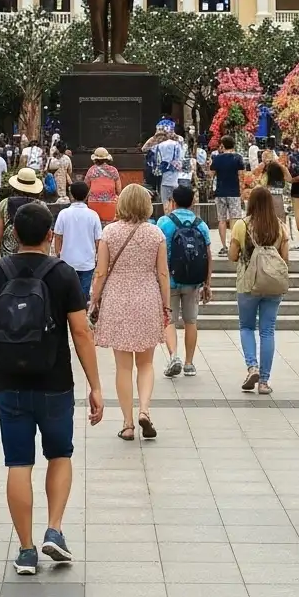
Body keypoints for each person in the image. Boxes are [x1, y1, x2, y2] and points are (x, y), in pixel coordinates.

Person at [0, 199, 104, 576]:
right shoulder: (62, 274)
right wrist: (95, 385)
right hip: (56, 382)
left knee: (18, 463)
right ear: (51, 235)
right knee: (60, 455)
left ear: (13, 234)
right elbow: (80, 331)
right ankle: (55, 529)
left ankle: (27, 550)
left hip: (11, 382)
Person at [89, 183, 170, 442]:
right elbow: (163, 274)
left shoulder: (109, 233)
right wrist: (166, 305)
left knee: (123, 367)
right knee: (146, 363)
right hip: (147, 298)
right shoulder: (156, 233)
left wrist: (94, 300)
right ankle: (145, 410)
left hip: (118, 300)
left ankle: (127, 423)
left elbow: (100, 272)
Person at [229, 185, 289, 394]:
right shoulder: (280, 226)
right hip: (273, 285)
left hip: (247, 283)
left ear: (251, 203)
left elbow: (232, 255)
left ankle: (252, 366)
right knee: (267, 330)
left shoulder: (241, 225)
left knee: (246, 327)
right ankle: (264, 382)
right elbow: (285, 259)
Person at [159, 183, 212, 378]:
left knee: (169, 320)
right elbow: (208, 255)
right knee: (191, 321)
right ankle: (189, 363)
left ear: (173, 202)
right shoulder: (201, 225)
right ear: (192, 202)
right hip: (194, 281)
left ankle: (174, 356)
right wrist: (207, 283)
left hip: (169, 280)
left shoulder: (164, 223)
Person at [53, 179, 103, 302]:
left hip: (67, 260)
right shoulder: (93, 215)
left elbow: (58, 236)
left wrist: (58, 253)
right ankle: (81, 318)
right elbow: (98, 240)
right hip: (87, 262)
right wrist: (97, 256)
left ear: (71, 195)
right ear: (87, 195)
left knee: (66, 294)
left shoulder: (63, 214)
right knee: (83, 296)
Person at [0, 166, 44, 261]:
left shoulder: (5, 203)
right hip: (35, 258)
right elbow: (46, 236)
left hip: (8, 258)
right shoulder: (41, 206)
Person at [209, 134, 244, 256]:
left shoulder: (217, 158)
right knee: (235, 219)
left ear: (223, 145)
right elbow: (241, 175)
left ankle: (224, 246)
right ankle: (234, 245)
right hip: (234, 192)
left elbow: (211, 174)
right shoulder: (238, 158)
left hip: (220, 192)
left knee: (222, 220)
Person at [85, 146, 122, 223]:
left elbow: (85, 188)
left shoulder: (91, 170)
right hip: (110, 204)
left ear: (95, 159)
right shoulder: (113, 170)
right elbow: (119, 191)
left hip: (93, 204)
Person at [263, 148, 291, 223]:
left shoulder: (272, 166)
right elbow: (289, 179)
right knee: (280, 218)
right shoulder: (276, 167)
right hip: (276, 194)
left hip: (272, 193)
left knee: (274, 218)